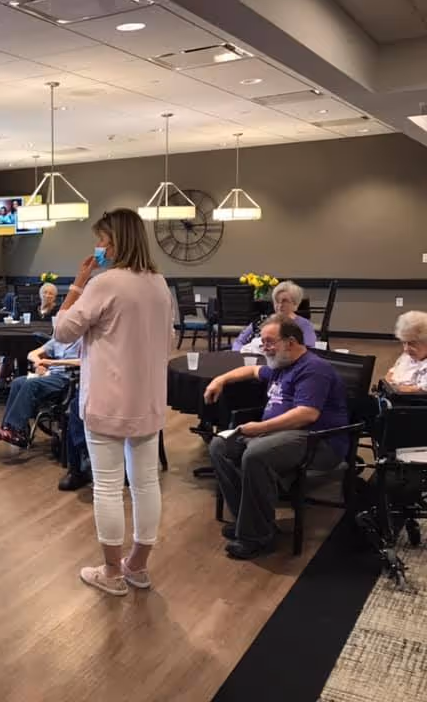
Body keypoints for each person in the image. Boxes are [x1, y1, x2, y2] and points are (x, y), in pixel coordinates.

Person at [53, 208, 174, 596]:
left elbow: (63, 331)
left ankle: (110, 571)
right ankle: (137, 565)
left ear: (116, 241)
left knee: (107, 486)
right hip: (148, 398)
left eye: (102, 240)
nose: (98, 247)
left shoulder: (104, 283)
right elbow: (168, 339)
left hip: (107, 399)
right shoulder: (159, 283)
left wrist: (77, 285)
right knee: (145, 482)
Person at [205, 315, 349, 560]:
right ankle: (248, 522)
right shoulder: (281, 364)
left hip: (318, 440)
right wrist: (221, 379)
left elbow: (307, 414)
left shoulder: (314, 369)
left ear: (290, 342)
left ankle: (257, 538)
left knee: (256, 455)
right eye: (262, 342)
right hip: (284, 434)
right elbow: (252, 369)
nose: (264, 348)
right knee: (220, 446)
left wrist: (260, 428)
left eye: (269, 342)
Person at [0, 337, 81, 447]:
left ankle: (15, 429)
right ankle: (7, 428)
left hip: (67, 378)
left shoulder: (83, 340)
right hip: (51, 375)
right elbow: (32, 354)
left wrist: (52, 362)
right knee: (17, 382)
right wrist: (38, 362)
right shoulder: (59, 340)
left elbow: (82, 361)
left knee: (31, 383)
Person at [0, 283, 62, 401]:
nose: (47, 296)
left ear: (55, 297)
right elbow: (22, 322)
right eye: (45, 293)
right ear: (40, 294)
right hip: (26, 340)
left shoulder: (58, 311)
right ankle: (0, 384)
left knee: (37, 353)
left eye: (51, 294)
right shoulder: (32, 308)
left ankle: (38, 384)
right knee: (9, 350)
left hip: (44, 343)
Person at [232, 280, 316, 352]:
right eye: (277, 301)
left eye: (285, 301)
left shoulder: (304, 325)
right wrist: (242, 353)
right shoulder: (262, 320)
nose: (280, 305)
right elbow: (239, 342)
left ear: (295, 304)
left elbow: (308, 350)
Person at [385, 310, 427, 393]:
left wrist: (395, 387)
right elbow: (390, 375)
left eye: (412, 343)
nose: (406, 349)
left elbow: (418, 391)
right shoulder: (408, 356)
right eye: (404, 342)